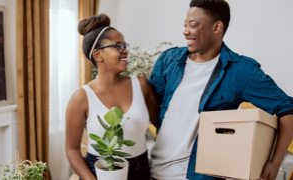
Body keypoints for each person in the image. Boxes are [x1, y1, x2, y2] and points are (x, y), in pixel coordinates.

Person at [149, 0, 293, 180]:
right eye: (185, 25)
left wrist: (275, 162)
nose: (185, 31)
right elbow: (152, 106)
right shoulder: (168, 59)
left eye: (193, 25)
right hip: (155, 171)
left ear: (217, 27)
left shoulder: (242, 71)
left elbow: (287, 109)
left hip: (200, 176)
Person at [65, 13, 159, 180]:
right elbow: (72, 149)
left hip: (140, 170)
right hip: (98, 171)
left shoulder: (141, 85)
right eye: (117, 46)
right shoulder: (81, 98)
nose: (125, 51)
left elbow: (163, 127)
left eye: (125, 45)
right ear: (98, 55)